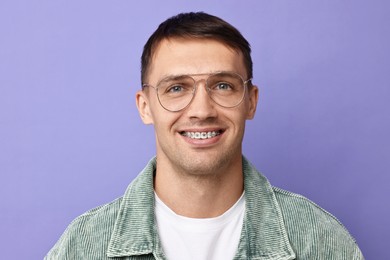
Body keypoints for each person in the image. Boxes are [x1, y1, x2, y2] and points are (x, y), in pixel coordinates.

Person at [45, 12, 364, 260]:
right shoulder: (84, 246)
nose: (201, 109)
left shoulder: (319, 240)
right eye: (176, 88)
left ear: (251, 101)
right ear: (145, 107)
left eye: (223, 85)